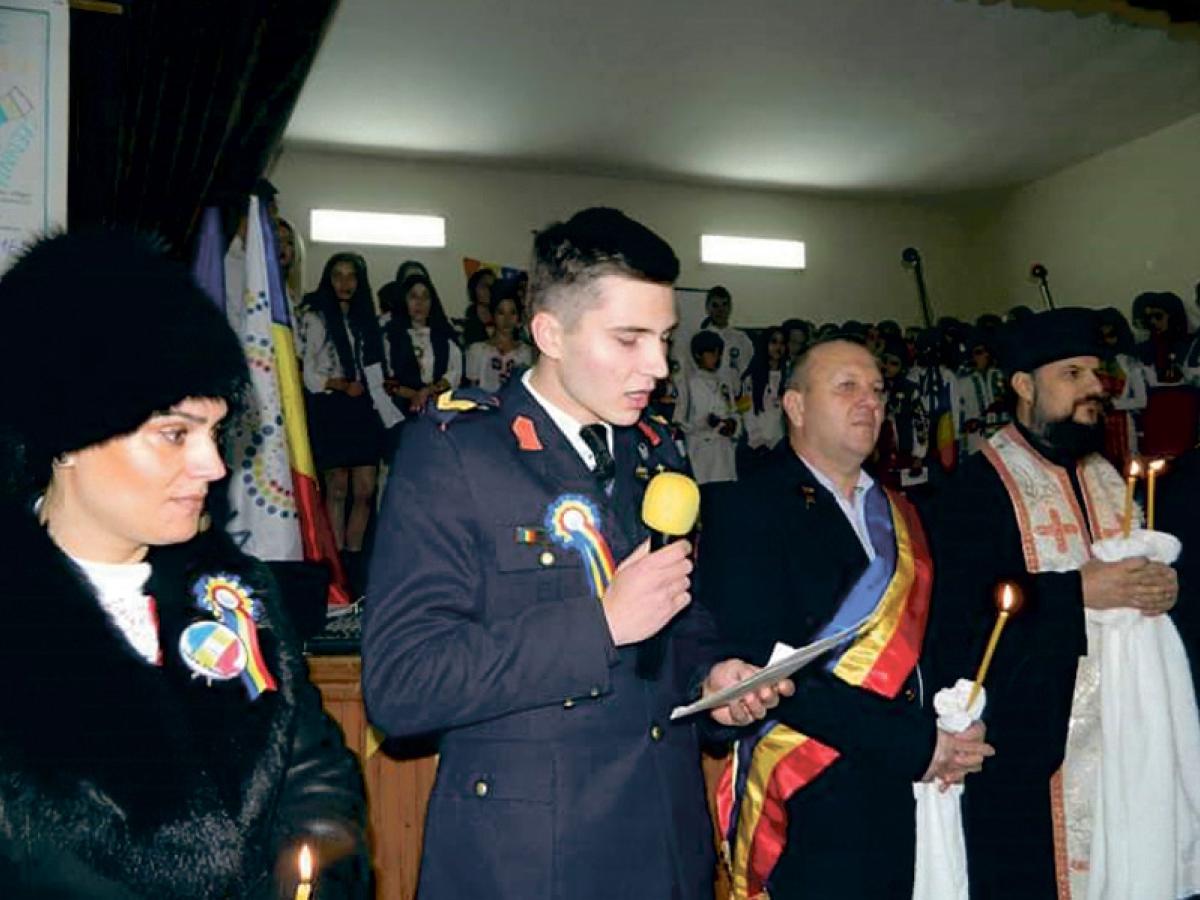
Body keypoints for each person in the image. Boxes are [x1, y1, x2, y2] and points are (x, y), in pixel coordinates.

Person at [361, 207, 790, 900]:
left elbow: (677, 615)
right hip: (532, 860)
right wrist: (600, 626)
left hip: (665, 844)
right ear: (549, 333)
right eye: (629, 338)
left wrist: (712, 681)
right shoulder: (456, 453)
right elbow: (403, 685)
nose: (658, 367)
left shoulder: (656, 450)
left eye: (664, 339)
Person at [0, 230, 368, 899]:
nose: (215, 465)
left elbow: (316, 784)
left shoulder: (237, 593)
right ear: (65, 435)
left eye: (215, 431)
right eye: (174, 434)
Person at [700, 338, 992, 900]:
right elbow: (766, 666)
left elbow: (943, 635)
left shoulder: (906, 511)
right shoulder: (746, 509)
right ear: (795, 405)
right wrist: (916, 745)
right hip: (817, 795)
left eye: (877, 390)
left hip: (921, 782)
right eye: (847, 387)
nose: (870, 402)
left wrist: (961, 718)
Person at [923, 308, 1185, 900]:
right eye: (1072, 374)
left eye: (1096, 373)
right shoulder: (975, 487)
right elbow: (961, 615)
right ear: (1024, 385)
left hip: (1124, 729)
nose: (1095, 387)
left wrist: (1166, 588)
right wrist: (1075, 593)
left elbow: (1142, 570)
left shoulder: (1108, 476)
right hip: (1030, 748)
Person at [300, 253, 387, 576]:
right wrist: (339, 384)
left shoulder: (366, 321)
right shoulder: (315, 318)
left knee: (365, 488)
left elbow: (375, 367)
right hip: (331, 404)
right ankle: (335, 563)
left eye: (351, 276)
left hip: (363, 405)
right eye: (338, 275)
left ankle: (355, 557)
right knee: (336, 486)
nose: (345, 283)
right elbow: (308, 372)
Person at [381, 271, 463, 413]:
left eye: (425, 297)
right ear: (404, 300)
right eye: (413, 297)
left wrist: (429, 391)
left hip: (439, 406)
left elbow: (454, 373)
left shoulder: (444, 335)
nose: (420, 303)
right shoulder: (390, 336)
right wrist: (415, 395)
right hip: (400, 409)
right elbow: (385, 379)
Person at [681, 330, 741, 486]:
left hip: (724, 452)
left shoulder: (724, 382)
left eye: (718, 353)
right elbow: (682, 420)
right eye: (711, 353)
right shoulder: (689, 383)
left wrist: (733, 424)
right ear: (698, 355)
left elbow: (733, 410)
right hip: (701, 451)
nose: (716, 357)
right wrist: (709, 423)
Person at [463, 278, 533, 391]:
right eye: (501, 313)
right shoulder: (477, 350)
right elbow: (472, 390)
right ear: (493, 315)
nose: (507, 319)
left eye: (512, 313)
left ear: (518, 317)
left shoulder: (527, 352)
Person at [737, 324, 788, 473]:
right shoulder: (750, 378)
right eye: (774, 342)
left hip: (781, 444)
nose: (778, 347)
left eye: (782, 343)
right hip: (757, 446)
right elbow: (746, 412)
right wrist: (757, 440)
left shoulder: (789, 376)